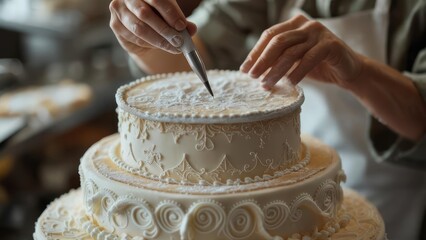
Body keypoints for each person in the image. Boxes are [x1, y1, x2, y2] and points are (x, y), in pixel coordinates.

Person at [109, 0, 426, 239]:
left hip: (396, 201)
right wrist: (145, 40)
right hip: (291, 193)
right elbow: (193, 57)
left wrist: (357, 71)